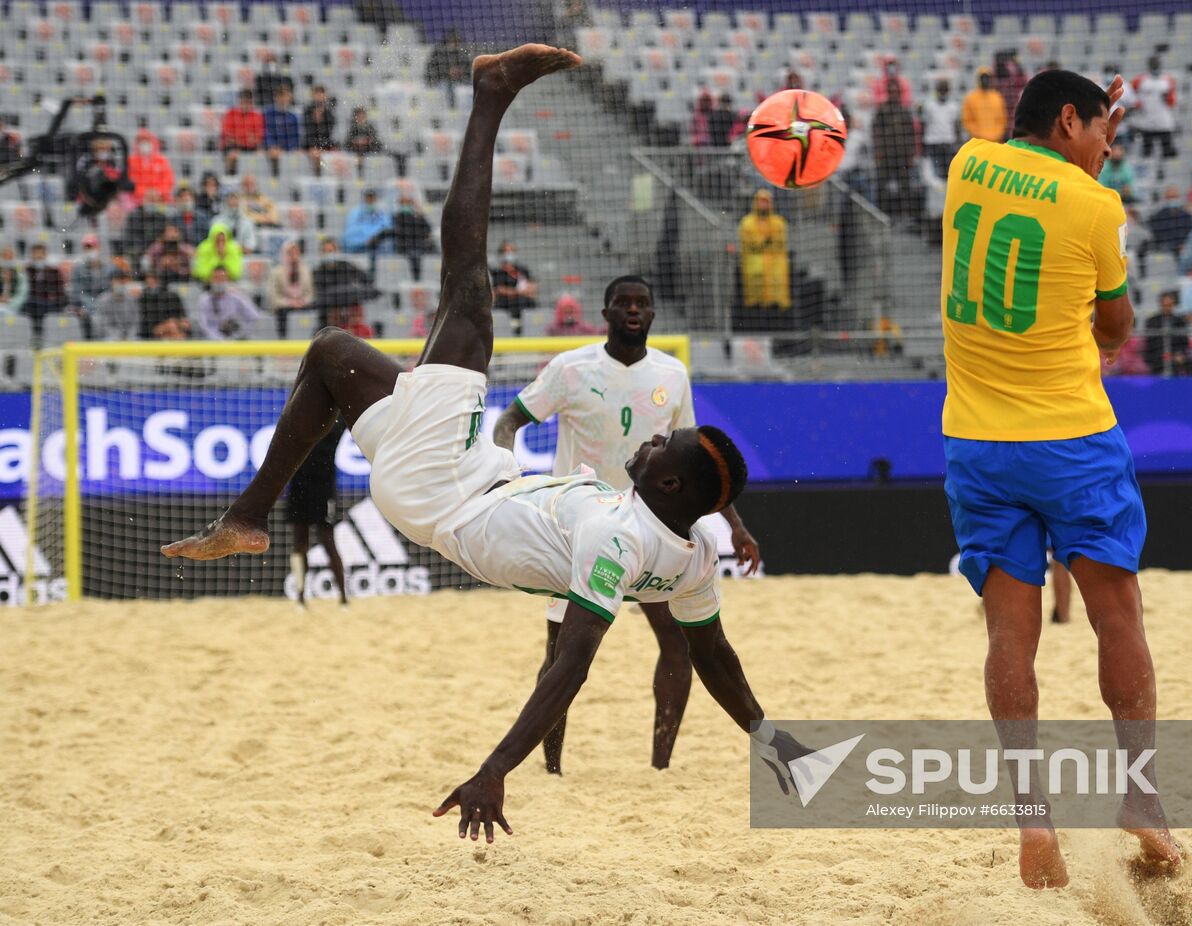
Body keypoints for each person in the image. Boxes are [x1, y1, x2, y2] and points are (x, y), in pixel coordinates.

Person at [161, 44, 808, 843]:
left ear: (669, 487)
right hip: (478, 474)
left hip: (447, 492)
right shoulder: (693, 557)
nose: (648, 445)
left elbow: (568, 667)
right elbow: (721, 662)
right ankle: (249, 517)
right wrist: (776, 746)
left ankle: (491, 96)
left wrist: (496, 766)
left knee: (467, 297)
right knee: (331, 352)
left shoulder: (616, 538)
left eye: (658, 449)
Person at [940, 69, 1178, 888]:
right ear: (1069, 119)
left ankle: (1033, 819)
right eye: (1102, 131)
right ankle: (1142, 800)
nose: (1109, 146)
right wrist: (1094, 182)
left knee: (1009, 633)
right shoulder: (1095, 206)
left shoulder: (967, 163)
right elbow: (1114, 330)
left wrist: (1089, 147)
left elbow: (1029, 177)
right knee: (1118, 613)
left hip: (976, 439)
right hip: (1071, 438)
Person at [494, 274, 762, 774]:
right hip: (581, 530)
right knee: (561, 656)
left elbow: (699, 468)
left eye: (643, 302)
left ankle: (660, 766)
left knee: (681, 643)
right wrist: (505, 471)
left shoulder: (672, 373)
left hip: (652, 527)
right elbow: (508, 420)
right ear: (607, 311)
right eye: (624, 302)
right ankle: (552, 769)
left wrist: (737, 527)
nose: (634, 310)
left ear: (654, 314)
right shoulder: (570, 368)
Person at [286, 419, 349, 607]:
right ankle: (300, 596)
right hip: (299, 484)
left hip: (323, 485)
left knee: (328, 541)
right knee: (299, 542)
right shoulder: (300, 412)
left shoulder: (335, 418)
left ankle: (343, 598)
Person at [737, 189, 791, 329]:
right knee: (755, 306)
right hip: (755, 271)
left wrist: (763, 244)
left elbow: (779, 243)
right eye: (761, 201)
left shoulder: (778, 222)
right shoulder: (747, 222)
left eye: (766, 202)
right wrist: (765, 243)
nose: (763, 205)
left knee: (775, 307)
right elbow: (750, 244)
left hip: (775, 272)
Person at [871, 76, 919, 218]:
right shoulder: (882, 111)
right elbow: (876, 132)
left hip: (902, 156)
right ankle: (881, 215)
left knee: (905, 187)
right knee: (882, 186)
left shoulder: (905, 111)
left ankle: (906, 215)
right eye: (891, 91)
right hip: (886, 156)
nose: (893, 94)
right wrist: (878, 151)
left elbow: (911, 134)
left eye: (895, 91)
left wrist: (911, 154)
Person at [312, 236, 378, 336]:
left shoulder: (346, 266)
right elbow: (320, 295)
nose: (330, 254)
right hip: (328, 316)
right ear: (321, 254)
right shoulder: (317, 271)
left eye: (332, 251)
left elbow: (367, 279)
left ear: (337, 251)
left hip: (350, 311)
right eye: (327, 251)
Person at [266, 239, 315, 338]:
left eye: (296, 252)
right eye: (290, 253)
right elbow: (273, 297)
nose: (293, 256)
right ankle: (283, 342)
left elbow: (311, 293)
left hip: (303, 304)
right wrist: (289, 302)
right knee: (282, 312)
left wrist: (303, 301)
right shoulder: (276, 272)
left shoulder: (306, 270)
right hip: (284, 305)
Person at [1131, 56, 1177, 158]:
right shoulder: (1140, 79)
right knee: (1147, 154)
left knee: (1167, 153)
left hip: (1164, 122)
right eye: (1153, 64)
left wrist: (1168, 98)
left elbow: (1173, 101)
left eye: (1157, 64)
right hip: (1146, 123)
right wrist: (1137, 104)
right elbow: (1131, 95)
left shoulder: (1168, 79)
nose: (1155, 66)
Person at [195, 266, 259, 339]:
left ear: (228, 280)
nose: (219, 281)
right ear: (210, 280)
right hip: (212, 342)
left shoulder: (237, 297)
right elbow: (203, 325)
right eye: (216, 278)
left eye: (222, 278)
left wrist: (239, 336)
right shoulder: (204, 299)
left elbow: (254, 317)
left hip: (234, 340)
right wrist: (220, 340)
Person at [1143, 289, 1192, 376]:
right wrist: (1164, 354)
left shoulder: (1180, 321)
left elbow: (1184, 342)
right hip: (1157, 355)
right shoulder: (1151, 321)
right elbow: (1150, 343)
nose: (1167, 308)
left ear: (1174, 305)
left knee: (1191, 364)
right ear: (1160, 305)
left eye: (1170, 305)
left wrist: (1179, 353)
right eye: (1165, 305)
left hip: (1176, 355)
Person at [24, 243, 68, 345]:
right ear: (32, 255)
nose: (38, 257)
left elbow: (61, 291)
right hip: (34, 303)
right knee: (31, 305)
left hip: (51, 303)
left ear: (45, 255)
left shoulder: (54, 271)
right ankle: (37, 338)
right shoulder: (28, 271)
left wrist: (54, 297)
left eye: (41, 254)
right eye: (36, 254)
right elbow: (26, 291)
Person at [71, 234, 112, 335]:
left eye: (91, 247)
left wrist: (99, 305)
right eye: (86, 248)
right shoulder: (78, 269)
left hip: (106, 307)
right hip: (86, 309)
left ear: (98, 248)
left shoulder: (109, 268)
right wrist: (90, 306)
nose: (89, 251)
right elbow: (78, 292)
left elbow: (109, 290)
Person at [922, 79, 961, 178]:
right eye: (940, 90)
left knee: (949, 173)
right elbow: (924, 125)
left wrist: (957, 143)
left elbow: (957, 127)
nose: (942, 92)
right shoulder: (929, 106)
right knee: (935, 174)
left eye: (945, 90)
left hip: (948, 142)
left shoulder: (953, 107)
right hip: (933, 143)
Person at [92, 264, 142, 340]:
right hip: (109, 338)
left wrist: (128, 336)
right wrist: (119, 336)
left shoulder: (132, 299)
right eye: (118, 280)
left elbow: (136, 322)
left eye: (123, 280)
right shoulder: (102, 300)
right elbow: (101, 325)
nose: (121, 283)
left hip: (130, 338)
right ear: (111, 282)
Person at [221, 89, 265, 172]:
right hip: (233, 147)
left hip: (251, 147)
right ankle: (230, 176)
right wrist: (246, 138)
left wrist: (240, 138)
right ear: (239, 101)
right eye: (243, 101)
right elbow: (228, 137)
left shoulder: (257, 116)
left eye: (248, 102)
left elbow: (258, 138)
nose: (246, 105)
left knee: (261, 155)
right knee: (232, 155)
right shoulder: (231, 114)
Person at [138, 269, 190, 340]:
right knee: (172, 328)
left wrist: (176, 322)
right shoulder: (143, 297)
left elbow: (182, 315)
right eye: (148, 279)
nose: (151, 281)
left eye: (154, 279)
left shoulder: (172, 295)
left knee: (174, 329)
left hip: (174, 326)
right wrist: (164, 326)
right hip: (152, 329)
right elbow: (145, 320)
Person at [490, 241, 539, 315]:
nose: (508, 254)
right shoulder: (497, 272)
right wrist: (521, 292)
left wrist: (512, 292)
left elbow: (532, 290)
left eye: (511, 251)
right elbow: (499, 290)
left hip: (526, 306)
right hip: (505, 307)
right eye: (505, 251)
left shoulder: (523, 270)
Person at [127, 128, 174, 204]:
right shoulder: (130, 161)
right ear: (137, 144)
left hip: (160, 199)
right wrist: (144, 192)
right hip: (136, 201)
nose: (144, 144)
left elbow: (168, 180)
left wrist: (158, 192)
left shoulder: (162, 160)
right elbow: (129, 182)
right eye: (141, 142)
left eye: (147, 141)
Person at [1145, 186, 1192, 261]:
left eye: (1175, 197)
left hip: (1184, 246)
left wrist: (1183, 244)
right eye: (1170, 197)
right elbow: (1157, 234)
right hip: (1166, 247)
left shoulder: (1186, 215)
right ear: (1166, 198)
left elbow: (1190, 233)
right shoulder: (1158, 216)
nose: (1173, 200)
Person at [122, 187, 171, 259]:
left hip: (157, 254)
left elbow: (164, 237)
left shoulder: (162, 218)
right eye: (150, 199)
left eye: (155, 200)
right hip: (138, 254)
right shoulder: (134, 216)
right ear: (144, 199)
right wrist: (146, 251)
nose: (152, 202)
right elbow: (130, 239)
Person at [262, 86, 301, 173]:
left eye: (286, 96)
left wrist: (290, 148)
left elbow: (295, 136)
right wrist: (272, 146)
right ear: (276, 98)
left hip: (288, 149)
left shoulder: (293, 116)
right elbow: (266, 132)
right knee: (273, 155)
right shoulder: (268, 114)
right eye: (281, 96)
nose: (283, 99)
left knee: (298, 155)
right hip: (272, 149)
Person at [962, 68, 1007, 142]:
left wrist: (997, 134)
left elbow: (1002, 119)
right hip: (978, 141)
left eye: (987, 78)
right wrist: (977, 134)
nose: (985, 80)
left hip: (995, 140)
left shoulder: (997, 97)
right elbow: (967, 120)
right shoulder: (970, 98)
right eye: (982, 78)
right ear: (978, 79)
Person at [343, 189, 392, 254]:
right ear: (364, 198)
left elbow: (388, 231)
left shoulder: (383, 214)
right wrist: (365, 242)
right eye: (368, 197)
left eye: (372, 197)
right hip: (359, 251)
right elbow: (349, 235)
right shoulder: (354, 213)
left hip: (380, 252)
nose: (370, 200)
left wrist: (376, 240)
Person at [303, 85, 337, 154]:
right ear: (312, 96)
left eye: (321, 93)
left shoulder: (329, 113)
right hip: (309, 147)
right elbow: (307, 133)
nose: (319, 96)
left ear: (325, 96)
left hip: (326, 146)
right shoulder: (306, 112)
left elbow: (328, 133)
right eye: (317, 94)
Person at [0, 247, 30, 317]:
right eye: (5, 256)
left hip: (14, 308)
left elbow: (22, 295)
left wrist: (10, 302)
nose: (7, 259)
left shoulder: (21, 276)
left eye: (10, 257)